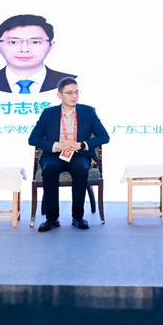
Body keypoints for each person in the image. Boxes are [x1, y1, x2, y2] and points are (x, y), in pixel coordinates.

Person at [29, 77, 109, 231]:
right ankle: (52, 219)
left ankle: (78, 217)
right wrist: (55, 145)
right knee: (50, 169)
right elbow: (33, 139)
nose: (74, 96)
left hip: (79, 153)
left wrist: (82, 145)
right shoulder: (48, 113)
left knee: (80, 168)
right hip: (55, 154)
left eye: (77, 92)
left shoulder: (88, 112)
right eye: (69, 93)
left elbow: (104, 137)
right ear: (59, 95)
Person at [0, 14, 75, 94]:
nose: (24, 49)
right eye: (13, 42)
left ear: (51, 46)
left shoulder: (73, 83)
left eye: (35, 42)